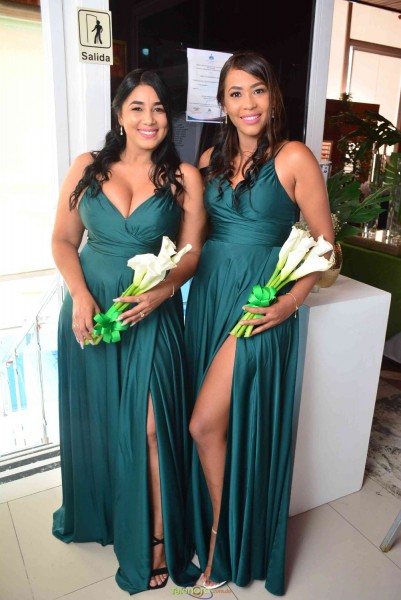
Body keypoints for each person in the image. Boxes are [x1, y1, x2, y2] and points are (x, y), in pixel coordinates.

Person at [51, 68, 206, 594]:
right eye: (137, 107)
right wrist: (80, 295)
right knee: (97, 422)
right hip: (91, 313)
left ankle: (157, 540)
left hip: (152, 315)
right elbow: (63, 239)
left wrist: (165, 291)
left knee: (151, 430)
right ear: (119, 113)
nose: (149, 118)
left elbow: (190, 254)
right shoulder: (86, 167)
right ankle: (104, 514)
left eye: (158, 108)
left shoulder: (183, 177)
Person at [185, 51, 334, 595]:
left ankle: (225, 542)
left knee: (204, 424)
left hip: (258, 304)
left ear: (273, 97)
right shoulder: (209, 159)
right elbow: (197, 236)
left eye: (257, 90)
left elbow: (324, 246)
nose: (247, 103)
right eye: (235, 93)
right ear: (222, 104)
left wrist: (289, 304)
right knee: (216, 426)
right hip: (209, 297)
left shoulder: (294, 157)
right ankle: (209, 525)